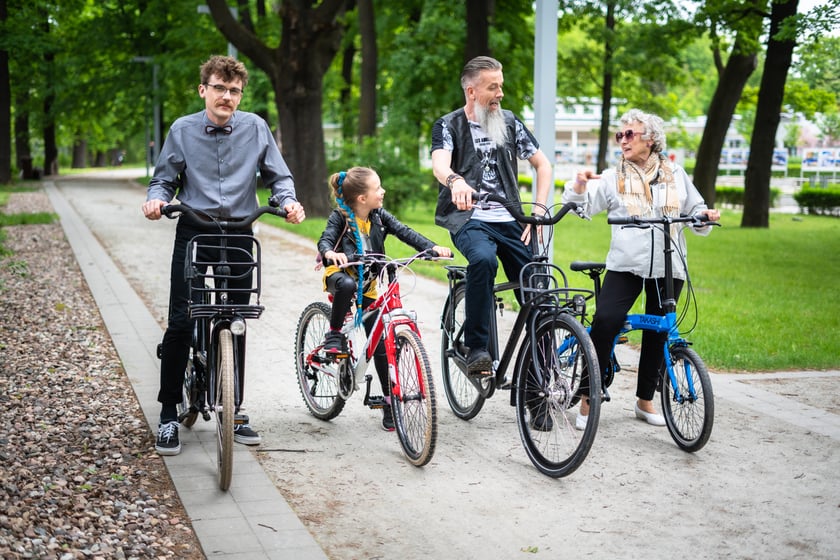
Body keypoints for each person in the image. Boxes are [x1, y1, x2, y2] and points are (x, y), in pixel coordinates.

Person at [142, 55, 306, 456]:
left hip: (238, 232)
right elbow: (164, 178)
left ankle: (234, 409)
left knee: (236, 322)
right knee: (182, 321)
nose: (227, 97)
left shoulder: (256, 128)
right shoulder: (182, 130)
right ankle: (167, 414)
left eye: (234, 91)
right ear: (204, 90)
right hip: (194, 229)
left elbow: (278, 176)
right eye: (219, 88)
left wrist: (288, 201)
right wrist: (156, 200)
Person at [563, 108, 720, 431]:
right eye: (620, 135)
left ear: (651, 139)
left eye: (630, 134)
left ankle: (645, 400)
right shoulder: (613, 175)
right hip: (627, 264)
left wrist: (704, 217)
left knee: (659, 332)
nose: (623, 140)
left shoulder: (675, 173)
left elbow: (694, 210)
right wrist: (578, 187)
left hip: (668, 263)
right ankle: (588, 396)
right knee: (606, 322)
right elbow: (585, 206)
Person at [317, 166, 451, 431]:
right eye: (377, 188)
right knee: (344, 283)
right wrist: (329, 254)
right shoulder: (340, 217)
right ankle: (334, 333)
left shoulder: (379, 216)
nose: (383, 191)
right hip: (342, 277)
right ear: (362, 199)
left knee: (380, 344)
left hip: (367, 288)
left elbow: (405, 231)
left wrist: (431, 247)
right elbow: (326, 240)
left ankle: (390, 403)